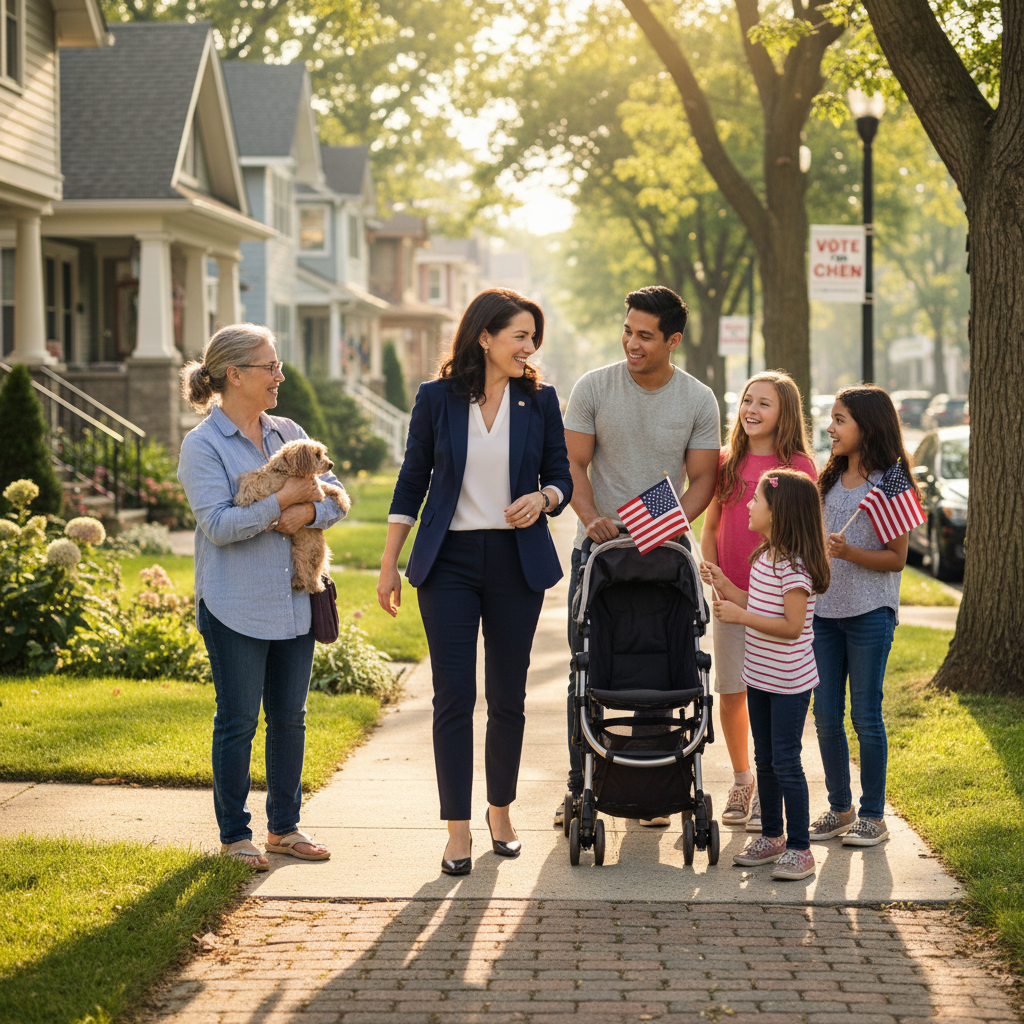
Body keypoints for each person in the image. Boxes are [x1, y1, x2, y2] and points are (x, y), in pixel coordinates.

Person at [377, 288, 573, 877]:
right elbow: (412, 481)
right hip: (450, 564)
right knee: (454, 697)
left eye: (534, 338)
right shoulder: (436, 398)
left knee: (508, 697)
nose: (529, 347)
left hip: (516, 562)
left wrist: (543, 498)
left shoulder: (540, 399)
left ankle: (501, 813)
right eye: (520, 336)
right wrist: (389, 563)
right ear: (485, 337)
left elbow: (561, 474)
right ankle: (457, 828)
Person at [178, 323, 349, 869]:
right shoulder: (203, 445)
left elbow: (337, 497)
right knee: (238, 722)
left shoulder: (288, 431)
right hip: (234, 605)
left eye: (278, 366)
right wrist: (282, 502)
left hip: (294, 601)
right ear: (235, 374)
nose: (280, 376)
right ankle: (235, 836)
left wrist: (306, 510)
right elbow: (218, 526)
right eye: (270, 367)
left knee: (290, 718)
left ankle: (284, 829)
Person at [558, 285, 720, 828]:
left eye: (645, 335)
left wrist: (662, 528)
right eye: (628, 331)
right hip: (598, 551)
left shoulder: (697, 398)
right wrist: (591, 519)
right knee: (589, 666)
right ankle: (581, 785)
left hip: (664, 549)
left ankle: (649, 785)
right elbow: (573, 465)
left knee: (659, 664)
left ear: (673, 341)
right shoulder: (594, 387)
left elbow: (703, 479)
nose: (632, 342)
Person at [699, 372, 818, 834]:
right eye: (748, 400)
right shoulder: (726, 461)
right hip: (731, 598)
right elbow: (711, 527)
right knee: (732, 690)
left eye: (764, 403)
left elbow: (804, 532)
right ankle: (742, 779)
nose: (751, 409)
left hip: (777, 601)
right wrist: (715, 575)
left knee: (772, 694)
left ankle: (773, 793)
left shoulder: (798, 466)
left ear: (784, 413)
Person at [701, 468, 831, 880]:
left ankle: (800, 849)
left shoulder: (795, 568)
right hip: (758, 676)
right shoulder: (763, 558)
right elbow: (754, 603)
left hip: (788, 682)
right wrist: (725, 584)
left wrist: (740, 617)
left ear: (778, 512)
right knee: (765, 759)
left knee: (786, 761)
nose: (749, 505)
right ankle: (772, 837)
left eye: (756, 499)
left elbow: (792, 626)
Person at [808, 385, 919, 847]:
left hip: (870, 612)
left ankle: (873, 815)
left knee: (866, 716)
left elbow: (897, 559)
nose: (830, 428)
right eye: (832, 419)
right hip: (824, 612)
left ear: (866, 427)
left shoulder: (890, 484)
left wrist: (850, 552)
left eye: (840, 420)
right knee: (825, 715)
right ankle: (840, 808)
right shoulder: (829, 478)